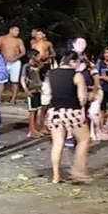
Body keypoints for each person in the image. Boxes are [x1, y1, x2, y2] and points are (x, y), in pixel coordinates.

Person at [42, 52, 92, 184]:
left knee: (57, 144)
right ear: (72, 61)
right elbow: (82, 98)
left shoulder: (50, 74)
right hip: (72, 111)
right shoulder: (77, 75)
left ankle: (56, 176)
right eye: (78, 62)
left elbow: (46, 93)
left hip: (54, 111)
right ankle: (78, 170)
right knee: (84, 139)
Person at [0, 26, 26, 105]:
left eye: (18, 31)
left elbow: (23, 52)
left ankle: (13, 99)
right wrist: (2, 59)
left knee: (15, 81)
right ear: (10, 30)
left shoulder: (19, 40)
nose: (17, 32)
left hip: (15, 62)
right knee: (1, 80)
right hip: (3, 62)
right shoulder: (2, 38)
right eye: (16, 30)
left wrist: (15, 58)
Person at [21, 49, 46, 138]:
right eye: (38, 56)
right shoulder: (26, 66)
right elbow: (22, 78)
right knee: (32, 111)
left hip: (37, 90)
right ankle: (31, 130)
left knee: (36, 110)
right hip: (31, 90)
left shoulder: (37, 65)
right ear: (33, 56)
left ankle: (35, 129)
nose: (39, 57)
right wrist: (26, 90)